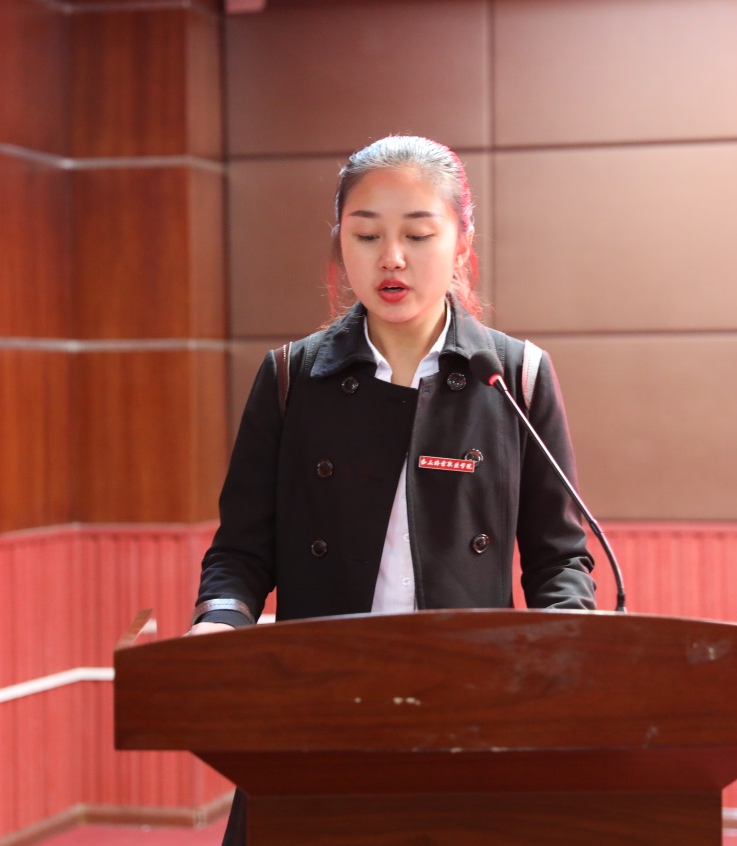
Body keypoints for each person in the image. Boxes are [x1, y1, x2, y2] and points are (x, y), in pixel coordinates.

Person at [187, 135, 596, 845]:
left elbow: (559, 558)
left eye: (418, 234)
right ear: (340, 243)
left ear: (461, 243)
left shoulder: (515, 377)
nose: (391, 258)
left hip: (469, 709)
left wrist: (574, 641)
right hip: (318, 706)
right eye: (367, 234)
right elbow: (241, 553)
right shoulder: (290, 379)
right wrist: (218, 621)